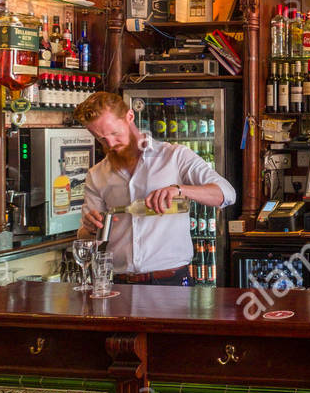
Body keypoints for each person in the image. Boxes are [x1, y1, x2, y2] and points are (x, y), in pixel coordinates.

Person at [73, 91, 236, 286]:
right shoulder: (97, 174)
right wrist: (90, 229)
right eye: (101, 139)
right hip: (118, 285)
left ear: (130, 117)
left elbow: (226, 193)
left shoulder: (175, 156)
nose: (110, 144)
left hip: (171, 283)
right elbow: (86, 236)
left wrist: (180, 190)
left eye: (114, 133)